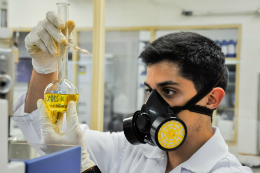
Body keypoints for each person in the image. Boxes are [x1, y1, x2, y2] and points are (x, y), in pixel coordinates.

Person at [12, 11, 253, 173]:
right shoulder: (131, 150)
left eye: (168, 91)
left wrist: (86, 168)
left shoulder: (227, 171)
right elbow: (44, 132)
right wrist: (45, 68)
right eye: (150, 90)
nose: (152, 104)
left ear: (212, 99)